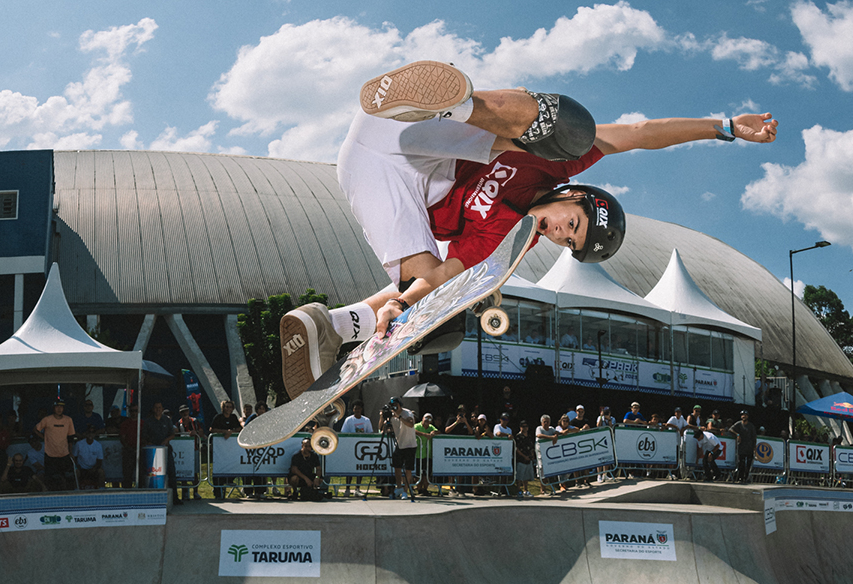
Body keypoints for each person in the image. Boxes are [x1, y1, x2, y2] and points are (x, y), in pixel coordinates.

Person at [278, 60, 777, 401]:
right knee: (568, 128)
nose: (560, 234)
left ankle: (333, 326)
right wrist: (726, 127)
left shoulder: (508, 237)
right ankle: (447, 100)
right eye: (572, 225)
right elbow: (641, 134)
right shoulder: (561, 165)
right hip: (408, 130)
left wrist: (403, 305)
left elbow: (446, 270)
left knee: (438, 289)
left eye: (567, 240)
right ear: (575, 195)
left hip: (373, 177)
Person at [379, 397, 417, 500]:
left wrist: (398, 417)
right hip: (399, 444)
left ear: (400, 405)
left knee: (408, 469)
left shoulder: (407, 413)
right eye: (392, 406)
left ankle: (406, 491)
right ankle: (399, 487)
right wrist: (382, 417)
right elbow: (381, 428)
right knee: (397, 467)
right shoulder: (391, 415)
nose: (394, 408)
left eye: (396, 405)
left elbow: (410, 424)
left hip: (410, 444)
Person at [34, 399, 76, 490]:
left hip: (64, 454)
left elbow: (70, 437)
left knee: (68, 477)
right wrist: (45, 438)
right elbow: (36, 429)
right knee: (51, 479)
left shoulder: (68, 420)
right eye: (57, 407)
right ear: (53, 408)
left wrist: (71, 452)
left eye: (61, 407)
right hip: (50, 455)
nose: (59, 409)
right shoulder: (47, 419)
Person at [144, 401, 179, 503]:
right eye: (156, 407)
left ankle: (175, 498)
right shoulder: (148, 421)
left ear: (162, 409)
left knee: (171, 473)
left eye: (160, 408)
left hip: (166, 451)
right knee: (153, 474)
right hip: (153, 453)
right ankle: (152, 498)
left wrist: (166, 440)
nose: (158, 410)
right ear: (153, 409)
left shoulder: (167, 420)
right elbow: (144, 436)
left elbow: (172, 434)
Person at [339, 400, 373, 497]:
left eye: (358, 408)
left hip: (362, 449)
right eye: (355, 408)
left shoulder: (366, 420)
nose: (357, 410)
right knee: (349, 469)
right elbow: (344, 433)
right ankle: (347, 489)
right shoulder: (348, 420)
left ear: (361, 409)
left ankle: (357, 489)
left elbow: (370, 433)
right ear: (353, 409)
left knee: (359, 469)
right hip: (351, 448)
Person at [210, 400, 243, 499]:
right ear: (223, 408)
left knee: (233, 465)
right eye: (226, 407)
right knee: (218, 468)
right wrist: (224, 431)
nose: (228, 409)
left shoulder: (233, 418)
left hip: (231, 449)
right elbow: (212, 429)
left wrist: (231, 432)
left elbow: (239, 429)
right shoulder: (218, 417)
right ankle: (217, 492)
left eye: (230, 407)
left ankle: (227, 482)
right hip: (219, 450)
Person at [175, 404, 205, 500]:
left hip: (194, 449)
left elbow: (201, 432)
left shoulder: (194, 421)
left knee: (194, 472)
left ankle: (195, 492)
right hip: (183, 451)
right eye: (183, 412)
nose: (185, 413)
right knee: (184, 472)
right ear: (180, 413)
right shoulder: (178, 423)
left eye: (186, 411)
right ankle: (185, 493)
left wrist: (195, 432)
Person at [444, 405, 475, 497]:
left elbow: (471, 432)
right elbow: (446, 430)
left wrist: (465, 422)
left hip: (463, 448)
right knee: (451, 468)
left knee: (460, 468)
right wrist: (456, 423)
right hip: (452, 447)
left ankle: (459, 488)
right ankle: (451, 489)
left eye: (463, 411)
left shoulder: (467, 421)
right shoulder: (451, 419)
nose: (461, 413)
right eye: (459, 411)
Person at [72, 424, 105, 489]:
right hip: (81, 469)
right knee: (76, 472)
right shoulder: (79, 444)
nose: (90, 434)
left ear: (95, 434)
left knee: (101, 472)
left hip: (93, 469)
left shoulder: (98, 445)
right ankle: (76, 490)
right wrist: (78, 467)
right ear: (86, 433)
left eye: (93, 433)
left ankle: (102, 490)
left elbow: (99, 461)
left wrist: (94, 468)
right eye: (89, 432)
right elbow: (74, 458)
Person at [118, 404, 143, 488]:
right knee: (127, 474)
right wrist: (129, 448)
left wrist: (139, 448)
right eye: (132, 411)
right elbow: (122, 438)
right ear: (129, 412)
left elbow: (146, 437)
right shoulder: (125, 424)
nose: (134, 413)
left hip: (140, 451)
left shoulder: (142, 423)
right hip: (128, 451)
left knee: (141, 474)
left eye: (136, 411)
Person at [729, 410, 757, 483]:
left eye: (745, 415)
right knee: (741, 464)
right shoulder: (738, 424)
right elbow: (730, 429)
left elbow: (754, 438)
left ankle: (746, 478)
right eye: (742, 415)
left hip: (749, 448)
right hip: (741, 447)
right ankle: (740, 478)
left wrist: (754, 448)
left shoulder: (751, 426)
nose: (744, 416)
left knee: (748, 464)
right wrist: (737, 434)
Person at [414, 413, 439, 496]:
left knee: (427, 473)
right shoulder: (417, 425)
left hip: (428, 454)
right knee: (418, 473)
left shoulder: (431, 427)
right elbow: (413, 431)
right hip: (418, 453)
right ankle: (419, 489)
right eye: (426, 418)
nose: (427, 421)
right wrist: (424, 434)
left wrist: (433, 432)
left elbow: (438, 431)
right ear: (422, 418)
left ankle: (425, 489)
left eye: (429, 419)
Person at [534, 414, 559, 495]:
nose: (546, 423)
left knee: (550, 471)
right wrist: (551, 437)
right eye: (544, 422)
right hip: (540, 454)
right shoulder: (539, 428)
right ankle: (542, 490)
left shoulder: (551, 429)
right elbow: (539, 435)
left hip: (549, 454)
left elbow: (556, 433)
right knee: (542, 471)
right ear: (541, 422)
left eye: (548, 422)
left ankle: (551, 488)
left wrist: (556, 435)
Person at [514, 420, 535, 497]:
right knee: (519, 476)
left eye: (526, 426)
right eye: (523, 426)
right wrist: (524, 456)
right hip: (521, 459)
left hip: (528, 459)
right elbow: (517, 449)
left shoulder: (529, 436)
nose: (525, 428)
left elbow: (532, 447)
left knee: (526, 476)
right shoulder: (518, 437)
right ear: (520, 427)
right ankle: (519, 491)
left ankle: (526, 490)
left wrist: (532, 455)